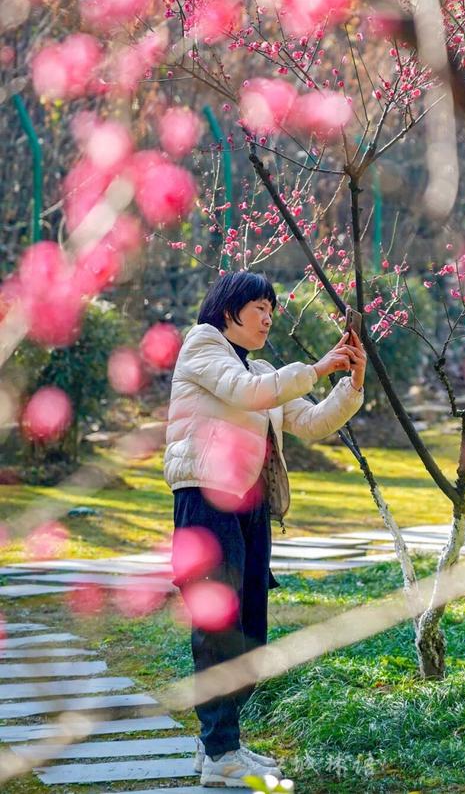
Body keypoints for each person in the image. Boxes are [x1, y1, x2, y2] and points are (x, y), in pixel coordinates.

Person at [164, 270, 366, 788]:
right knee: (217, 628)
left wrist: (351, 380)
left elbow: (313, 422)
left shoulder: (263, 370)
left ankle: (217, 743)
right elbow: (244, 393)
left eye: (272, 310)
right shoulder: (203, 345)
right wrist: (315, 367)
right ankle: (221, 753)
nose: (268, 318)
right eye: (259, 307)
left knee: (250, 633)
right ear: (228, 309)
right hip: (205, 500)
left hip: (251, 509)